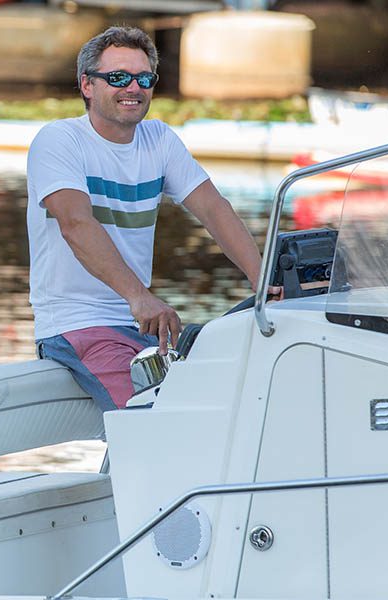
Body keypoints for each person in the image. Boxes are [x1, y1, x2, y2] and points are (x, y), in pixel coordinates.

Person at [27, 26, 271, 412]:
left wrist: (263, 279)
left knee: (238, 397)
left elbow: (213, 208)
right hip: (78, 325)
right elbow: (76, 225)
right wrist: (139, 298)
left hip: (141, 327)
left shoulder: (158, 138)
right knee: (160, 418)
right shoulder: (59, 141)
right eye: (119, 78)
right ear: (87, 85)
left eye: (144, 79)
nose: (134, 88)